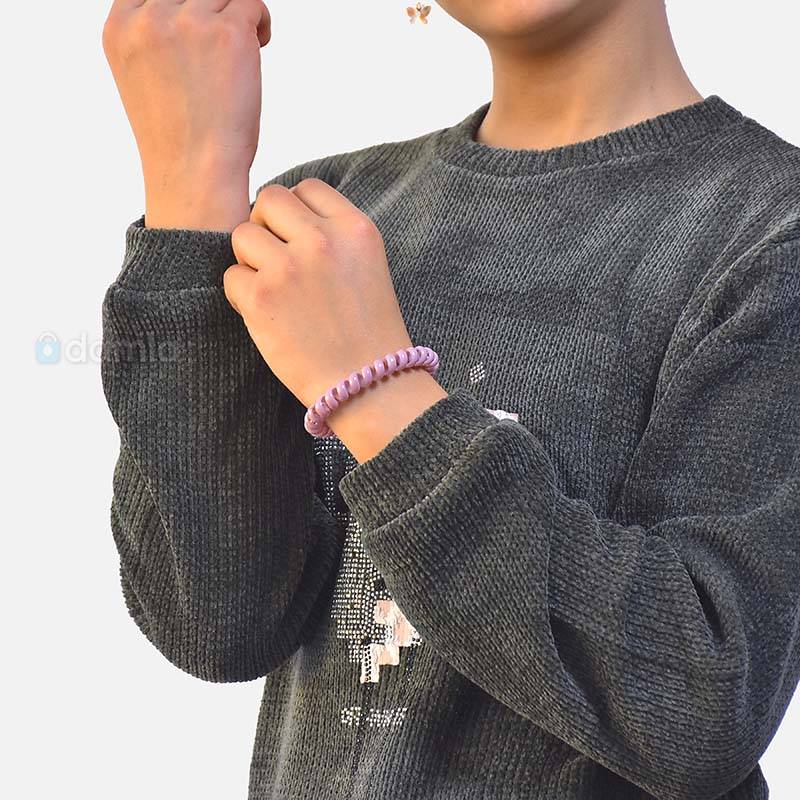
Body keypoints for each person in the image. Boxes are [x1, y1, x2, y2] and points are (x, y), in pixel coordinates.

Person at [100, 1, 800, 798]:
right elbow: (216, 625)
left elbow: (705, 703)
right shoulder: (321, 226)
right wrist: (193, 189)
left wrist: (376, 387)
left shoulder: (772, 236)